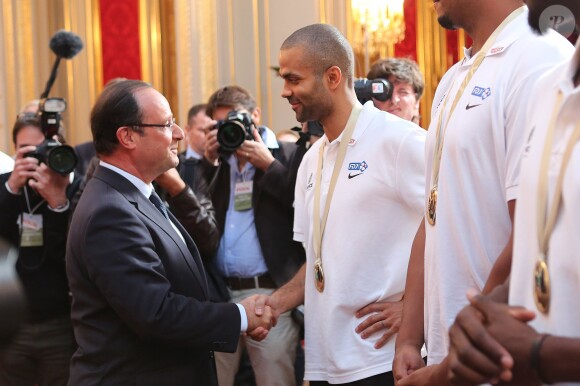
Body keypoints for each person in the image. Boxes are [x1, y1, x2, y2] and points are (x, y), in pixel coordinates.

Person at [392, 0, 574, 384]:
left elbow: (530, 231)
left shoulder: (538, 56)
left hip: (498, 355)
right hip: (455, 352)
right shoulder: (456, 75)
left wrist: (465, 347)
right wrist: (410, 337)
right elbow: (432, 214)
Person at [65, 80, 273, 385]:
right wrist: (239, 316)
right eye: (166, 124)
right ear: (127, 136)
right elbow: (156, 313)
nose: (179, 134)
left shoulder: (136, 195)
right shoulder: (109, 212)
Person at [254, 23, 426, 385]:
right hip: (325, 362)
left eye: (293, 79)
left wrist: (415, 309)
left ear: (333, 76)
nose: (285, 91)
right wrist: (276, 302)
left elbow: (451, 226)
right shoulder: (311, 159)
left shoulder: (399, 141)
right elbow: (318, 262)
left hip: (384, 359)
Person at [446, 2, 580, 385]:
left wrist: (543, 356)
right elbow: (548, 253)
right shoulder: (550, 87)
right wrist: (487, 312)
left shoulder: (538, 61)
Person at [200, 84, 306, 386]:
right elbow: (195, 216)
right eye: (221, 124)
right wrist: (208, 166)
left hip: (272, 295)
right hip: (221, 296)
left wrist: (268, 165)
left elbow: (302, 208)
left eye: (236, 119)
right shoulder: (218, 163)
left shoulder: (288, 153)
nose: (230, 129)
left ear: (255, 115)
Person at [0, 114, 80, 385]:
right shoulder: (3, 186)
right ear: (15, 150)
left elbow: (73, 256)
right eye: (28, 151)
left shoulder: (76, 189)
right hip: (11, 325)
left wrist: (59, 204)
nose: (37, 159)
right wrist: (12, 187)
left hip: (58, 323)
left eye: (45, 149)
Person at [366, 58, 424, 125]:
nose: (394, 100)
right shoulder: (355, 135)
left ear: (417, 101)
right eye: (385, 92)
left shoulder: (426, 135)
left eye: (402, 92)